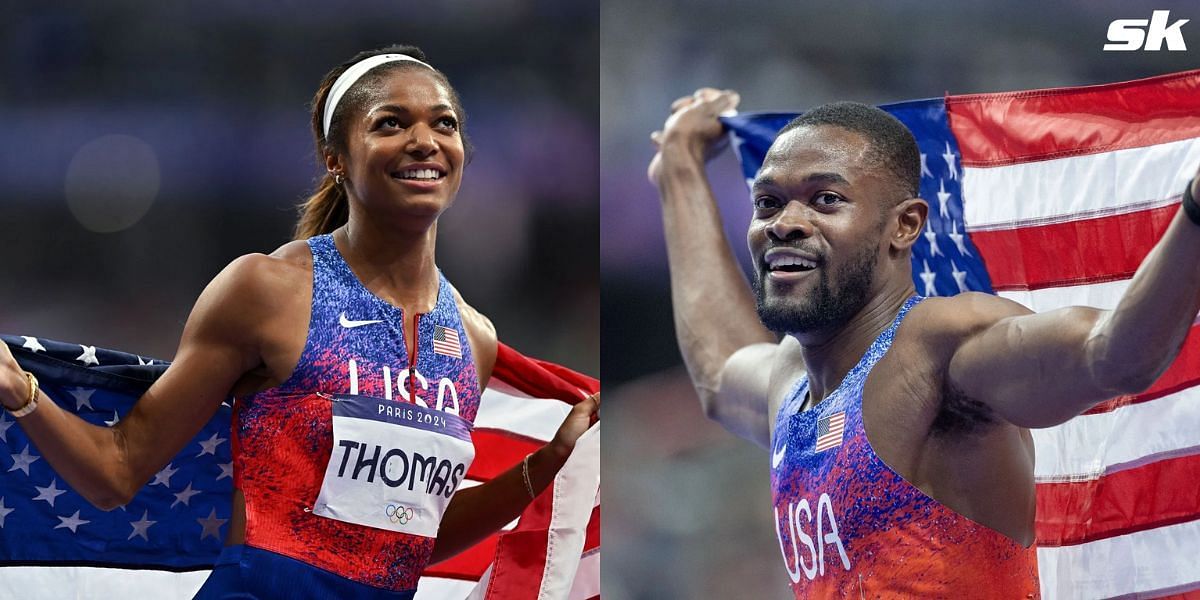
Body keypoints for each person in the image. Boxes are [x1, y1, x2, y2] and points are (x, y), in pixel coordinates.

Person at [0, 45, 599, 599]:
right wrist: (23, 394)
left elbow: (406, 542)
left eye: (444, 123)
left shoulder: (473, 338)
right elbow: (118, 469)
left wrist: (544, 466)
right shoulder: (269, 290)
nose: (425, 141)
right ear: (334, 157)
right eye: (391, 123)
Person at [648, 88, 1200, 597]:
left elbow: (1113, 355)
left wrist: (1195, 210)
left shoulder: (938, 348)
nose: (785, 222)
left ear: (905, 226)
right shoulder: (790, 380)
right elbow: (719, 372)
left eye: (825, 200)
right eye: (767, 203)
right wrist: (680, 170)